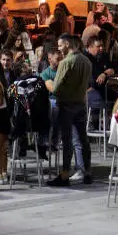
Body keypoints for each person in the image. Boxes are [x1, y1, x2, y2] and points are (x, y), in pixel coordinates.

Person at [48, 34, 93, 187]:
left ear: (67, 44)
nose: (59, 48)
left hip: (67, 105)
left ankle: (65, 174)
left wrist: (48, 82)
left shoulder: (66, 62)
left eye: (60, 45)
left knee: (67, 141)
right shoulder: (86, 61)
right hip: (81, 104)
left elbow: (55, 88)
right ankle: (87, 172)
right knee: (83, 139)